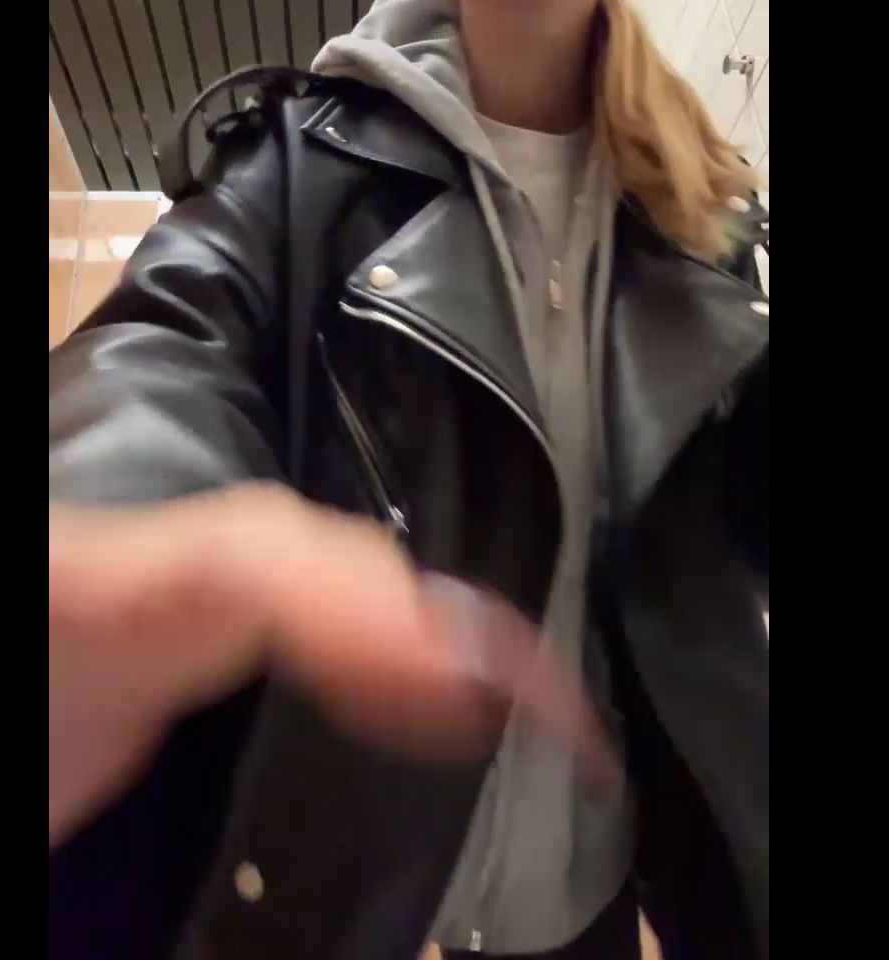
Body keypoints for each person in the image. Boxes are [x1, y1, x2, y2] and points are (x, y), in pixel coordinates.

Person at [48, 1, 769, 958]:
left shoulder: (699, 218)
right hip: (379, 894)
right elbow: (160, 348)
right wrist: (109, 512)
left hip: (594, 891)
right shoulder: (295, 167)